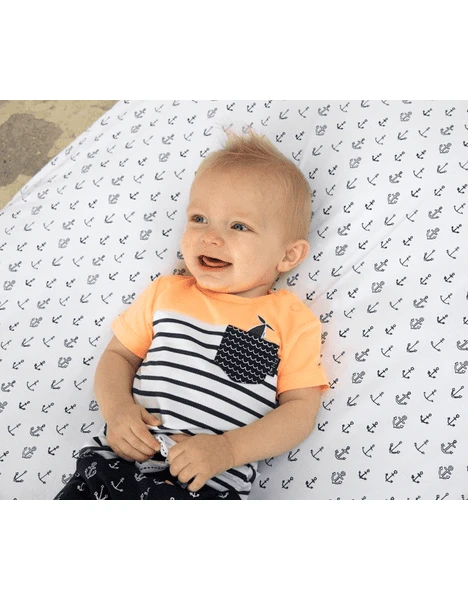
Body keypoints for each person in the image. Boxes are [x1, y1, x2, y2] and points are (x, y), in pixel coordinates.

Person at [54, 128, 329, 500]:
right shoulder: (166, 293)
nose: (210, 236)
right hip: (116, 466)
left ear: (288, 255)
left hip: (206, 486)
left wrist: (229, 449)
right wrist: (118, 410)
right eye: (199, 218)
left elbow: (299, 412)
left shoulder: (292, 321)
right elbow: (118, 356)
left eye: (239, 226)